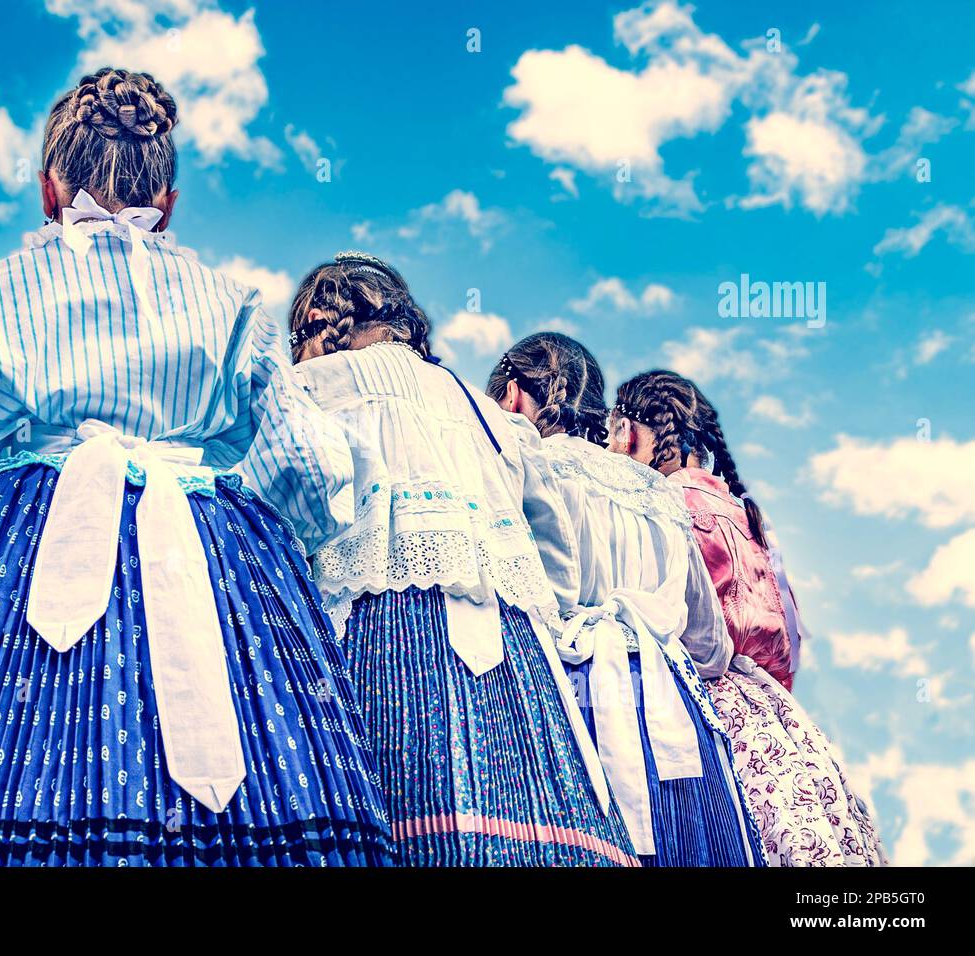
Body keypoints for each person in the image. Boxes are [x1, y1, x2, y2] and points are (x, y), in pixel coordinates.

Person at [0, 68, 393, 866]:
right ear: (171, 203)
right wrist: (222, 496)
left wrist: (6, 496)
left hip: (16, 558)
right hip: (206, 558)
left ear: (49, 190)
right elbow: (307, 475)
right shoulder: (234, 305)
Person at [239, 254, 639, 866]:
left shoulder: (309, 389)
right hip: (509, 647)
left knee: (380, 824)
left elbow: (275, 501)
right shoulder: (475, 404)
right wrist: (549, 618)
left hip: (367, 632)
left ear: (319, 323)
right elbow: (553, 531)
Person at [488, 333, 762, 866]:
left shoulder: (532, 466)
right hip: (673, 704)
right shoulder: (659, 491)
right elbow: (709, 646)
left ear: (517, 395)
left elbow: (533, 598)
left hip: (574, 697)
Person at [610, 370, 886, 866]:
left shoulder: (659, 504)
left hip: (701, 696)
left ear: (630, 431)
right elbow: (791, 637)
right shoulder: (746, 512)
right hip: (773, 710)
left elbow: (663, 614)